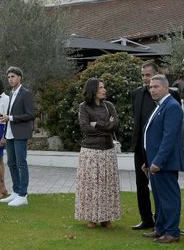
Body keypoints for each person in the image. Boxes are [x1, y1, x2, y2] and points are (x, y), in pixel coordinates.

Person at [130, 62, 181, 230]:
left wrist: (159, 158)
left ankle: (168, 227)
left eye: (149, 76)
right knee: (145, 186)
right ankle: (151, 222)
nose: (146, 80)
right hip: (143, 150)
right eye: (143, 76)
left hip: (161, 153)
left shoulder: (170, 100)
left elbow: (170, 132)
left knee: (165, 191)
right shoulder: (137, 94)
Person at [141, 74, 184, 243]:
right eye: (151, 87)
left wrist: (158, 161)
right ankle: (160, 229)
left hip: (164, 162)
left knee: (169, 197)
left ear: (166, 88)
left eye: (156, 86)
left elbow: (169, 138)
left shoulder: (172, 106)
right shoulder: (160, 105)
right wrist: (148, 160)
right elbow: (151, 136)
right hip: (154, 161)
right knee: (159, 198)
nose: (152, 90)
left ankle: (172, 232)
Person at [74, 78, 121, 229]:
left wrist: (98, 124)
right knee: (91, 186)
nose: (104, 89)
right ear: (93, 90)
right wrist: (108, 125)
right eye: (101, 87)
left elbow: (116, 125)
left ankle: (106, 218)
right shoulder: (84, 107)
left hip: (108, 151)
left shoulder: (109, 106)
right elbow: (86, 128)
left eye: (104, 87)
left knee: (107, 186)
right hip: (90, 152)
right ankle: (91, 218)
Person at [0, 67, 35, 207]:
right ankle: (15, 191)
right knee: (11, 163)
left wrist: (11, 117)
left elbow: (30, 115)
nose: (10, 79)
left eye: (12, 76)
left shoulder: (26, 93)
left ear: (19, 77)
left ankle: (23, 195)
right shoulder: (11, 93)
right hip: (9, 133)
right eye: (8, 77)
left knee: (21, 163)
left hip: (20, 133)